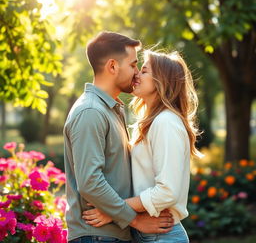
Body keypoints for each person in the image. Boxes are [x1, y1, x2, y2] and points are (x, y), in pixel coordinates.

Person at [63, 32, 174, 243]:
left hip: (111, 234)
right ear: (113, 66)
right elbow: (90, 182)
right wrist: (135, 220)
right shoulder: (91, 112)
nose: (136, 73)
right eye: (133, 65)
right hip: (96, 236)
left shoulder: (112, 110)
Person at [82, 49, 203, 242]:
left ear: (161, 80)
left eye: (144, 71)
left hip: (161, 234)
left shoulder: (166, 122)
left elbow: (167, 192)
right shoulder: (151, 122)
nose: (136, 74)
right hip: (149, 232)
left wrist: (114, 210)